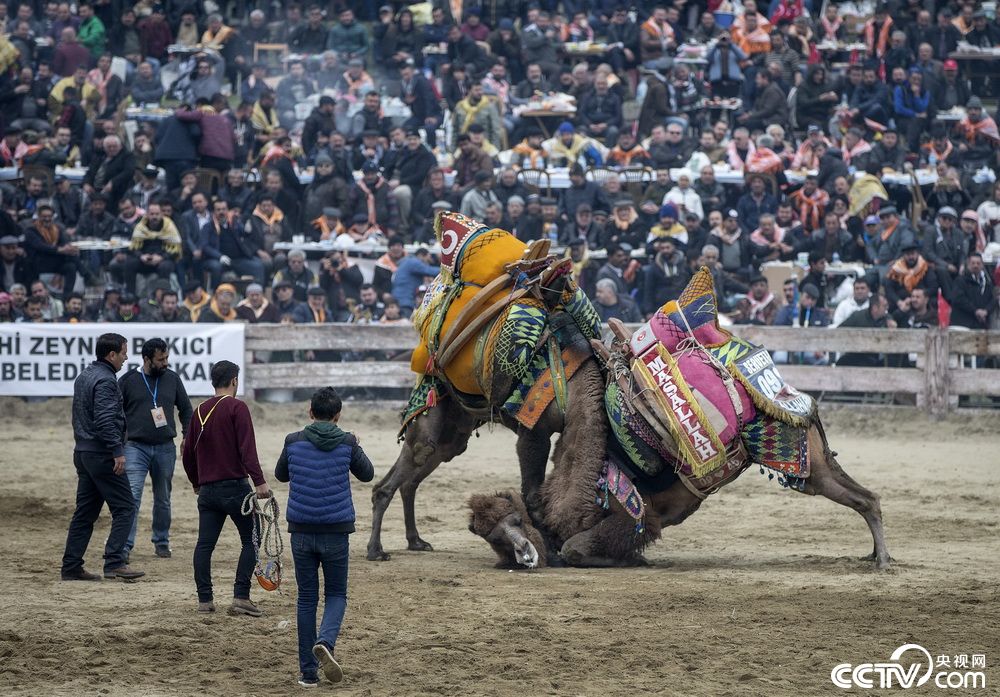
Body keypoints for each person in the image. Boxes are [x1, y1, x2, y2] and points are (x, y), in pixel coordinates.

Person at [274, 387, 374, 688]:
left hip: (301, 531)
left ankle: (307, 673)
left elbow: (281, 475)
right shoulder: (346, 442)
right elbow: (367, 474)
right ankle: (326, 643)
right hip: (336, 530)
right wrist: (355, 443)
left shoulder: (293, 441)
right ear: (338, 415)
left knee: (306, 599)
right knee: (336, 595)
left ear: (310, 412)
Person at [182, 360, 271, 616]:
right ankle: (241, 596)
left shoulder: (198, 411)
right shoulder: (237, 407)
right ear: (234, 381)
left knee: (205, 544)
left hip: (208, 490)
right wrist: (260, 482)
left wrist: (196, 482)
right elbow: (247, 450)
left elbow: (187, 453)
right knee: (251, 539)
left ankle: (205, 600)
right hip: (235, 488)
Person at [62, 333, 145, 582]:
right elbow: (106, 419)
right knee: (126, 506)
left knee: (85, 513)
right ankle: (115, 562)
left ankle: (71, 566)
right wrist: (117, 451)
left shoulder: (85, 375)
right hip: (101, 453)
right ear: (111, 355)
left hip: (84, 452)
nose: (126, 357)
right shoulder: (107, 380)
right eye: (123, 352)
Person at [119, 337, 193, 559]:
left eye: (167, 358)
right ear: (146, 359)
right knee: (132, 497)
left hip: (165, 447)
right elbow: (115, 413)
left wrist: (186, 437)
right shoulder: (128, 380)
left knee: (163, 498)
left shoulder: (172, 379)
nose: (165, 363)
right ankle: (123, 545)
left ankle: (161, 540)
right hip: (135, 447)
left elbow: (186, 410)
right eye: (161, 359)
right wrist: (118, 444)